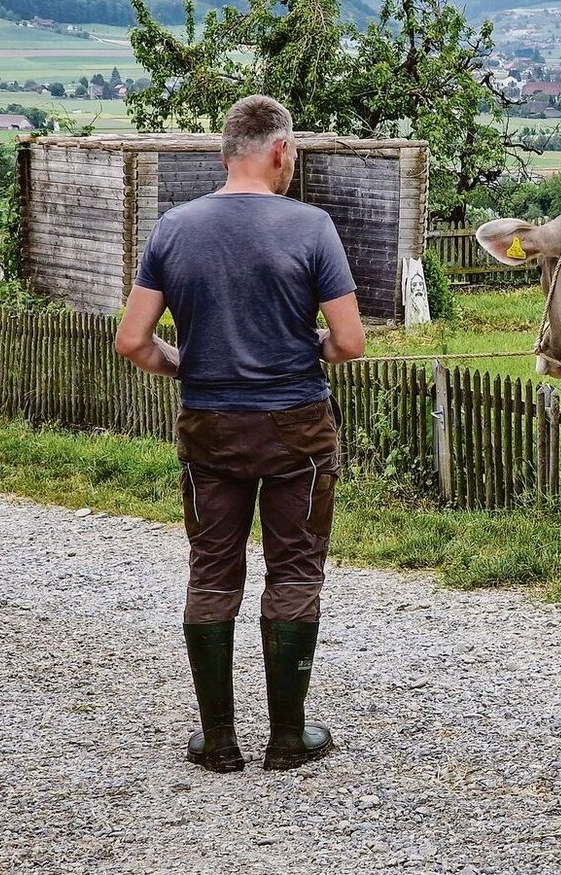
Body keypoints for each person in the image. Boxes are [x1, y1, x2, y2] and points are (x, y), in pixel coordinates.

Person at [115, 95, 365, 773]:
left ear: (225, 152)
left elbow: (133, 341)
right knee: (294, 572)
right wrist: (304, 344)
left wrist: (189, 363)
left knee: (213, 574)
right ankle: (289, 737)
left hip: (210, 426)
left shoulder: (174, 228)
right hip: (296, 430)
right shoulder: (312, 227)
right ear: (280, 151)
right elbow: (349, 342)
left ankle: (218, 739)